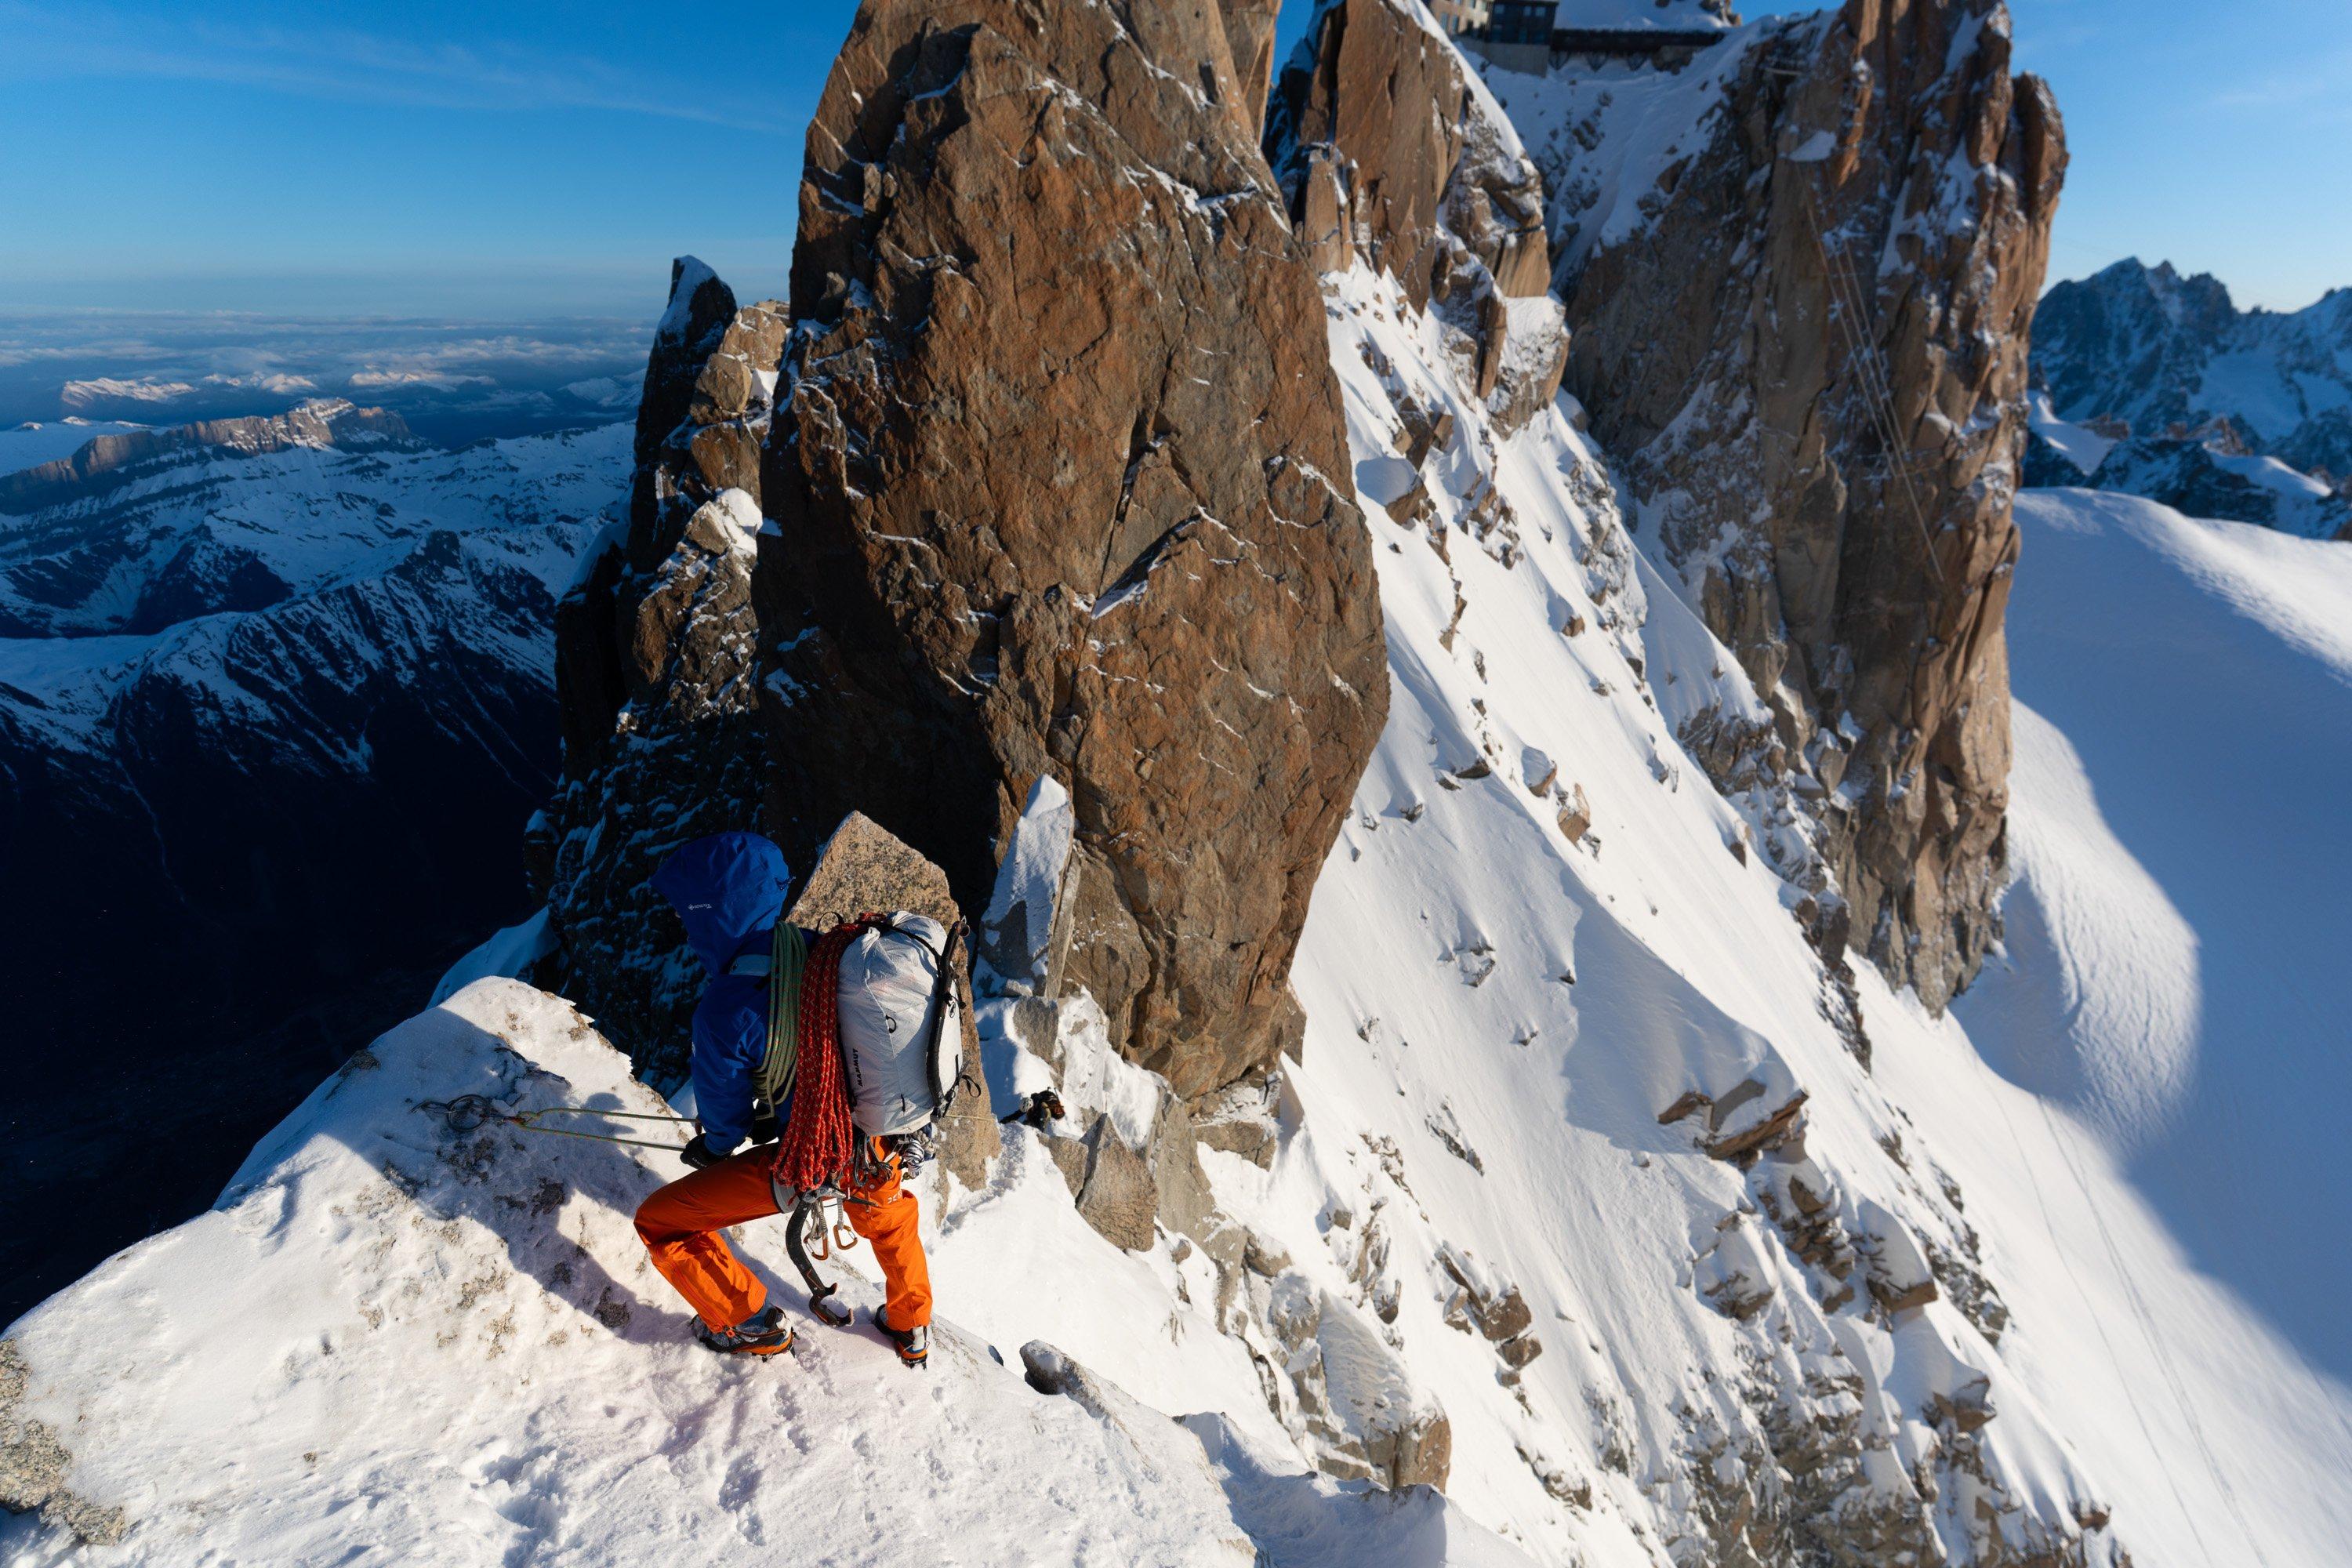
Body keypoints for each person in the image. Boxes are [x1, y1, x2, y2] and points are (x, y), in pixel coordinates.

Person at [630, 831, 933, 1364]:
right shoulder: (824, 951)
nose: (681, 922)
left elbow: (725, 1118)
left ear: (712, 911)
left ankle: (749, 1324)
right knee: (890, 1218)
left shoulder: (726, 1008)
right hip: (879, 1139)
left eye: (686, 911)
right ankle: (912, 1325)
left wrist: (715, 1149)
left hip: (809, 1157)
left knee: (661, 1222)